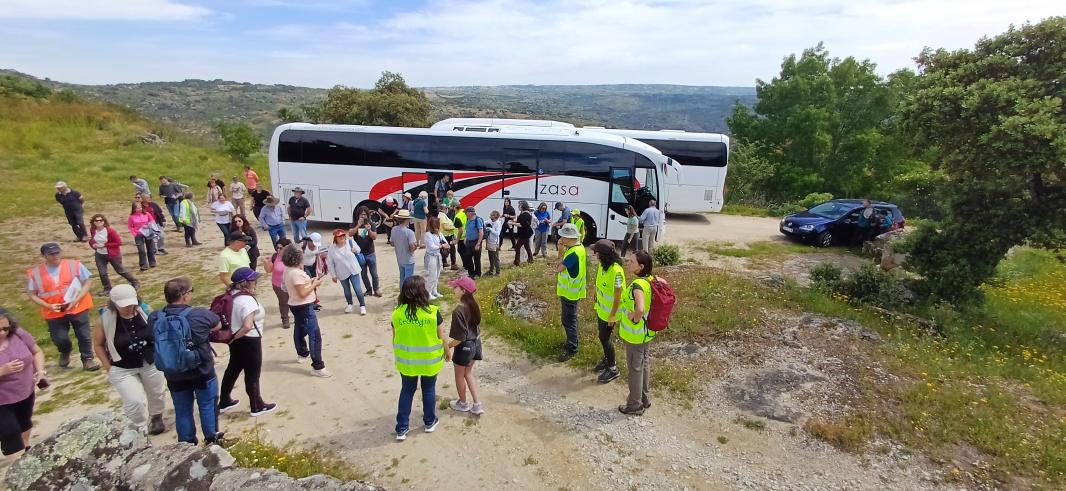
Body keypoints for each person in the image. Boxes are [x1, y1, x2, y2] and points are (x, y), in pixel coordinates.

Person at [149, 277, 225, 444]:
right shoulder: (198, 314)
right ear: (184, 295)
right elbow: (218, 325)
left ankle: (186, 444)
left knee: (182, 409)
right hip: (201, 369)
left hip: (173, 371)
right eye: (190, 291)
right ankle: (212, 439)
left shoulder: (155, 317)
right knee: (207, 404)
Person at [91, 285, 167, 435]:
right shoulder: (105, 319)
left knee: (157, 392)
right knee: (134, 401)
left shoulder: (145, 311)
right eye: (123, 305)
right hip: (122, 367)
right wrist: (108, 368)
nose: (128, 307)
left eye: (130, 303)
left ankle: (156, 416)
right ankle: (139, 427)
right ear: (114, 303)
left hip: (150, 361)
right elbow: (98, 344)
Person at [26, 242, 100, 370]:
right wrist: (48, 306)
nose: (55, 256)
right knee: (60, 338)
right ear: (44, 256)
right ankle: (65, 351)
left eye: (57, 252)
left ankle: (88, 359)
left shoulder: (74, 265)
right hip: (53, 311)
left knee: (84, 335)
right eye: (51, 254)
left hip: (78, 306)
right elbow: (32, 294)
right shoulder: (35, 273)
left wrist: (76, 300)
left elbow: (87, 282)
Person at [391, 275, 445, 441]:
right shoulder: (433, 312)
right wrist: (448, 352)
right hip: (429, 361)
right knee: (428, 389)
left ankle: (401, 428)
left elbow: (394, 338)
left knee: (407, 390)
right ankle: (429, 422)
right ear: (423, 292)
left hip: (407, 362)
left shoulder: (397, 313)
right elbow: (441, 337)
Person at [219, 267, 278, 417]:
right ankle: (256, 405)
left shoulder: (231, 295)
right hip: (249, 340)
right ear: (245, 283)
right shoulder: (247, 301)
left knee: (232, 369)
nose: (255, 283)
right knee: (252, 374)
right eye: (253, 281)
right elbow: (247, 326)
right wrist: (236, 337)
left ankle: (224, 401)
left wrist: (232, 339)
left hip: (235, 339)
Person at [0, 308, 46, 457]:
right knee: (9, 432)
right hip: (2, 400)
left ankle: (25, 449)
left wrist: (40, 372)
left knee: (24, 422)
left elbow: (36, 351)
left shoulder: (18, 334)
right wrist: (2, 371)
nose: (2, 333)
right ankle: (16, 463)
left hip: (25, 391)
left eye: (5, 328)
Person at [282, 244, 330, 377]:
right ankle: (318, 366)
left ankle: (302, 353)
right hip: (304, 306)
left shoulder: (288, 270)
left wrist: (310, 281)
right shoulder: (296, 273)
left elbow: (289, 287)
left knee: (299, 329)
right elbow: (302, 293)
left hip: (295, 304)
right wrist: (314, 284)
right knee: (315, 336)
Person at [618, 251, 657, 415]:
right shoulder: (650, 280)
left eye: (632, 261)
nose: (628, 262)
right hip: (647, 332)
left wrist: (634, 317)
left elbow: (640, 309)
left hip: (636, 335)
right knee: (643, 364)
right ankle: (644, 399)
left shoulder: (638, 285)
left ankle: (634, 405)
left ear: (641, 266)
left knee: (635, 368)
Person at [445, 276, 484, 415]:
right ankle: (477, 404)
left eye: (456, 287)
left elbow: (459, 338)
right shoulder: (474, 305)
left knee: (459, 375)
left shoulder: (458, 311)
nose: (453, 289)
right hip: (476, 344)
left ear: (463, 291)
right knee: (468, 373)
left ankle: (462, 403)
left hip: (465, 347)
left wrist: (448, 346)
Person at [590, 239, 625, 384]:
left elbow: (618, 296)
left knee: (604, 338)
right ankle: (607, 359)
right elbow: (599, 282)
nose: (594, 254)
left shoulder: (616, 272)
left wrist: (612, 316)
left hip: (611, 313)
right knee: (602, 336)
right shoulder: (602, 265)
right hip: (601, 309)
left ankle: (613, 369)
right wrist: (595, 292)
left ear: (602, 254)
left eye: (596, 252)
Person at [555, 224, 586, 362]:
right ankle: (573, 341)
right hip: (574, 290)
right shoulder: (579, 248)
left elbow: (559, 268)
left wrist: (560, 249)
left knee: (568, 321)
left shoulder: (572, 253)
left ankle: (572, 348)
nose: (561, 238)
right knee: (572, 319)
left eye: (563, 236)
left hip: (569, 292)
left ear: (569, 237)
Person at [87, 214, 139, 294]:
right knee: (102, 273)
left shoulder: (110, 231)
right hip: (100, 254)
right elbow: (92, 239)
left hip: (112, 254)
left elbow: (118, 242)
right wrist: (93, 244)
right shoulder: (93, 230)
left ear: (104, 221)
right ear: (93, 222)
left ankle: (134, 282)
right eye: (96, 220)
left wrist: (104, 245)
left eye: (100, 220)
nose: (98, 222)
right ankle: (107, 289)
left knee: (120, 270)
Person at [325, 229, 366, 315]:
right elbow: (330, 263)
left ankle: (362, 306)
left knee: (358, 289)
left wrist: (356, 250)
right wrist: (333, 275)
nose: (342, 237)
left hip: (353, 270)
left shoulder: (350, 242)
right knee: (346, 290)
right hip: (341, 272)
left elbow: (359, 249)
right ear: (335, 238)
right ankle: (350, 304)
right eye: (340, 236)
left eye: (343, 235)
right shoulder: (332, 248)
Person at [261, 238, 293, 329]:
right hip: (278, 285)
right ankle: (285, 319)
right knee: (283, 302)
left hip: (292, 284)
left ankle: (298, 316)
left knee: (294, 301)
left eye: (281, 248)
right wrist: (266, 262)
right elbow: (268, 270)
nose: (278, 250)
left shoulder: (293, 257)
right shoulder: (275, 257)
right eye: (277, 248)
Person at [352, 207, 381, 297]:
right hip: (360, 254)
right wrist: (358, 225)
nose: (363, 216)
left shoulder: (371, 224)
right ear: (358, 215)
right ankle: (369, 290)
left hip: (370, 253)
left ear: (368, 215)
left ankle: (376, 289)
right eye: (361, 214)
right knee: (363, 274)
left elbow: (374, 237)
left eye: (365, 214)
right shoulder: (354, 224)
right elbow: (350, 233)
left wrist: (369, 230)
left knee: (374, 274)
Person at [391, 210, 417, 287]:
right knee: (408, 281)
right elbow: (411, 248)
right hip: (409, 259)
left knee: (402, 278)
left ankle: (402, 293)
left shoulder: (394, 229)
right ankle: (407, 294)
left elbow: (392, 243)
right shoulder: (409, 232)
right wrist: (416, 245)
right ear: (407, 220)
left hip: (400, 258)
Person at [423, 217, 448, 299]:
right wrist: (441, 246)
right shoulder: (428, 234)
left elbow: (446, 243)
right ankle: (428, 292)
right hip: (431, 257)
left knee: (437, 275)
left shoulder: (439, 234)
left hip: (438, 256)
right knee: (432, 275)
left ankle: (434, 291)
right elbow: (431, 247)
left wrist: (441, 245)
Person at [463, 207, 485, 278]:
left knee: (476, 258)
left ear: (470, 213)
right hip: (469, 242)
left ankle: (478, 274)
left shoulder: (477, 220)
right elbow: (468, 229)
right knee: (468, 257)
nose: (465, 214)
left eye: (466, 213)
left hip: (476, 241)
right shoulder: (468, 219)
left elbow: (481, 232)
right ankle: (471, 273)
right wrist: (466, 237)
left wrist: (478, 243)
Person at [514, 201, 534, 265]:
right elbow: (521, 222)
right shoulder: (524, 213)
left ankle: (517, 261)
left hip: (524, 234)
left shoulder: (525, 214)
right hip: (524, 233)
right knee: (527, 246)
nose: (518, 207)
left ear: (523, 206)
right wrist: (514, 221)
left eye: (520, 206)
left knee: (517, 247)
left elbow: (521, 224)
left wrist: (512, 223)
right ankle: (530, 259)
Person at [484, 211, 503, 276]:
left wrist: (490, 229)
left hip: (494, 243)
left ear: (495, 217)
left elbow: (497, 234)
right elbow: (484, 222)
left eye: (491, 215)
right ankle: (491, 270)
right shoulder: (490, 220)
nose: (490, 216)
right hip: (489, 242)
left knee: (495, 258)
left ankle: (498, 272)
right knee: (490, 257)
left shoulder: (498, 223)